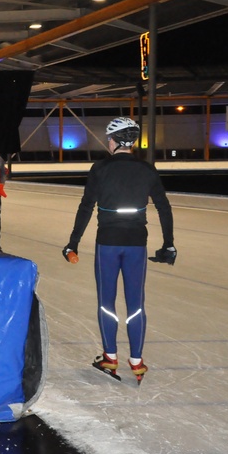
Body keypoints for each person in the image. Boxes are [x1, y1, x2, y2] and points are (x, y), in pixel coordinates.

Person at [63, 117, 176, 384]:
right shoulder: (147, 169)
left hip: (108, 243)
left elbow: (86, 206)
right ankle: (136, 361)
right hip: (137, 242)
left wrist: (73, 242)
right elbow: (164, 207)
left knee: (107, 302)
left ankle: (110, 357)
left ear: (113, 141)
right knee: (136, 303)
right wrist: (168, 243)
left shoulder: (100, 168)